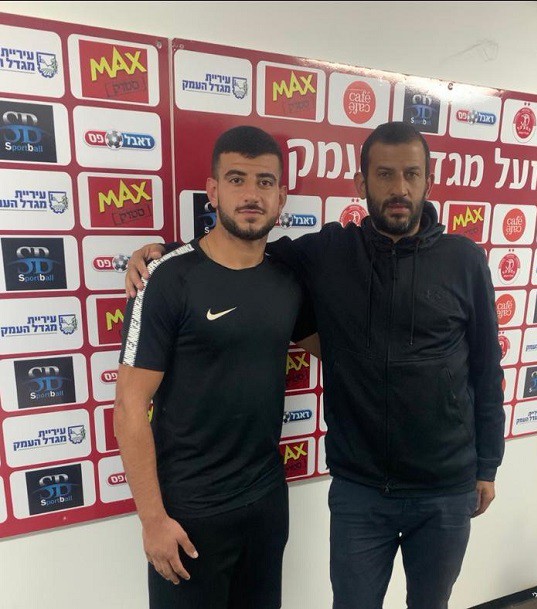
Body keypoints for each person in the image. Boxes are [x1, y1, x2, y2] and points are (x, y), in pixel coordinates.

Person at [126, 121, 505, 609]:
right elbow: (236, 250)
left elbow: (486, 368)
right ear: (361, 183)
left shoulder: (464, 260)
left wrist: (487, 463)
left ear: (428, 182)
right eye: (385, 174)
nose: (399, 188)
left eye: (412, 174)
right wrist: (162, 254)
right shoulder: (327, 253)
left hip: (439, 489)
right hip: (355, 492)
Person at [114, 125, 317, 609]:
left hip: (266, 504)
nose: (251, 195)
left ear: (281, 196)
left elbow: (341, 350)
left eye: (265, 182)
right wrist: (152, 520)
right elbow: (128, 405)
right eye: (237, 179)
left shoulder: (288, 280)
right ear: (213, 190)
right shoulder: (168, 278)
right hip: (189, 515)